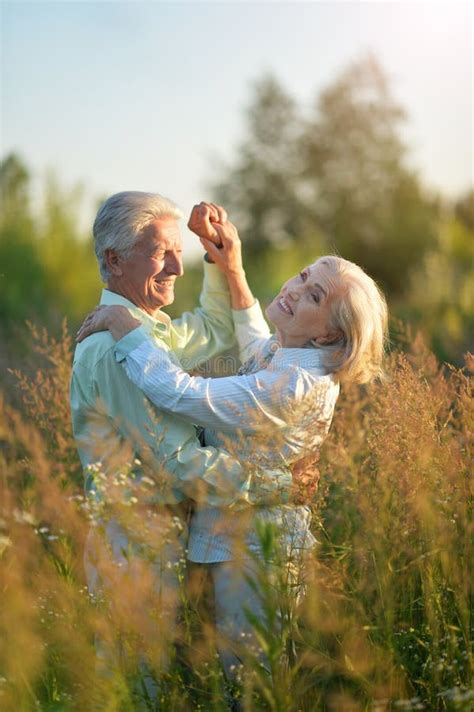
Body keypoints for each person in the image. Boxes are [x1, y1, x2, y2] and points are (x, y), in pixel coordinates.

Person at [76, 214, 388, 682]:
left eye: (315, 296)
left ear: (328, 334)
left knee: (252, 686)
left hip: (257, 552)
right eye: (304, 276)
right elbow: (253, 342)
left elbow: (179, 393)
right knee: (227, 678)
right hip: (227, 540)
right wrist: (234, 270)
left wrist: (127, 326)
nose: (296, 289)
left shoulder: (294, 385)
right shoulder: (288, 353)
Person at [70, 193, 303, 696]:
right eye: (161, 253)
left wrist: (215, 251)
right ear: (113, 260)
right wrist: (278, 481)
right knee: (137, 689)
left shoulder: (145, 331)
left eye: (181, 251)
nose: (177, 266)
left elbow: (218, 327)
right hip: (134, 544)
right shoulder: (115, 346)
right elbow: (177, 463)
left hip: (164, 539)